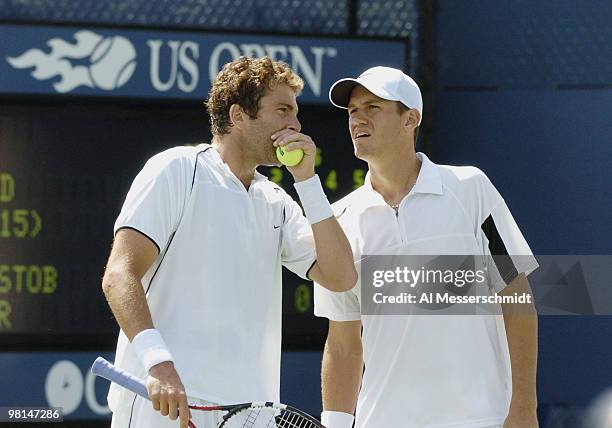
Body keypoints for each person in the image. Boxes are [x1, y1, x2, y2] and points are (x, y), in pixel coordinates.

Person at [101, 56, 357, 428]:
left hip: (250, 416)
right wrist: (158, 362)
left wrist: (307, 182)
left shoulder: (278, 203)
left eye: (296, 113)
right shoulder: (176, 170)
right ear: (238, 116)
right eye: (283, 109)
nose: (296, 124)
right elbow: (119, 275)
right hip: (162, 407)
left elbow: (341, 276)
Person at [314, 66, 539, 428]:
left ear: (411, 119)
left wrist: (524, 407)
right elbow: (342, 343)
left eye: (373, 107)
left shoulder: (471, 189)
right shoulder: (340, 220)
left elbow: (517, 296)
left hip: (481, 419)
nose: (358, 118)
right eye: (353, 111)